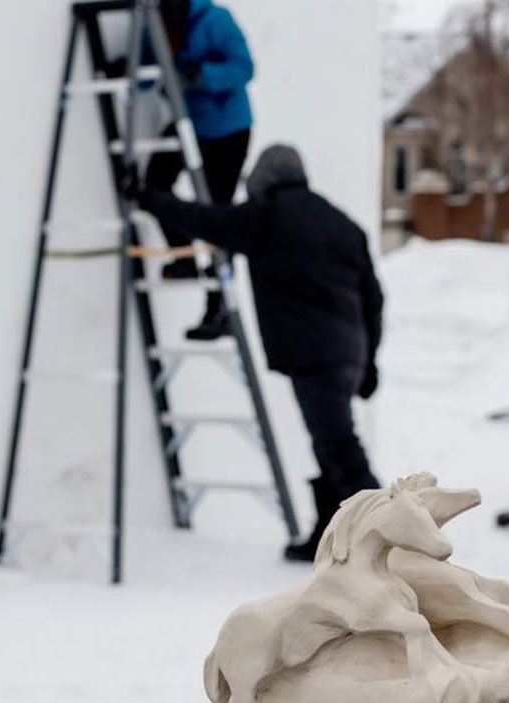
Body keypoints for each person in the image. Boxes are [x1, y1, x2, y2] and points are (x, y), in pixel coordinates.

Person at [132, 144, 384, 562]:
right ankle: (327, 537)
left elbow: (205, 221)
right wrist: (370, 359)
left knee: (339, 446)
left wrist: (150, 198)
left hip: (313, 352)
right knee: (329, 443)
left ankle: (388, 538)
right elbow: (374, 298)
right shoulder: (344, 225)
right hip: (348, 351)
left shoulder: (268, 216)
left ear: (263, 181)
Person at [146, 0, 254, 340]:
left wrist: (203, 75)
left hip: (228, 129)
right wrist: (131, 71)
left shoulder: (214, 20)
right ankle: (184, 259)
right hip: (187, 122)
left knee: (218, 219)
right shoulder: (153, 20)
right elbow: (149, 71)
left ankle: (218, 307)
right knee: (153, 187)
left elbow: (245, 67)